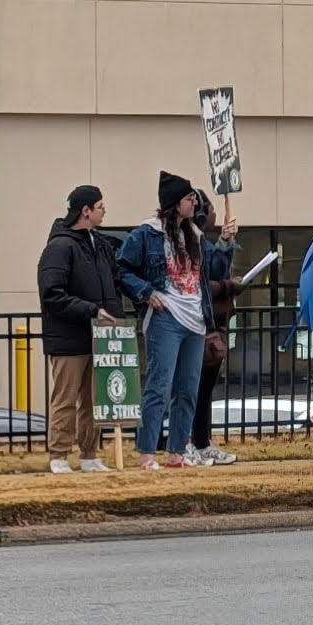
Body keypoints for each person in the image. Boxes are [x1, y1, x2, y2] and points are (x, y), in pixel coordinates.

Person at [117, 173, 238, 469]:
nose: (194, 203)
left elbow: (216, 268)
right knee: (159, 387)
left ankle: (177, 452)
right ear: (174, 203)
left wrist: (225, 241)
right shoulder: (147, 234)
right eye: (188, 198)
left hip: (195, 321)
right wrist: (147, 292)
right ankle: (147, 453)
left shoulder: (194, 235)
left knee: (188, 389)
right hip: (165, 318)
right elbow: (122, 269)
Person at [36, 184, 123, 473]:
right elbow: (52, 294)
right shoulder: (60, 247)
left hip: (98, 335)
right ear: (85, 211)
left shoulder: (99, 245)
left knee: (92, 399)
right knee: (65, 398)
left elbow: (114, 282)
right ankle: (59, 455)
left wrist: (115, 315)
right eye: (99, 206)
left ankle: (89, 453)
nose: (104, 210)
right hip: (68, 338)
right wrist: (91, 310)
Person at [187, 192, 243, 467]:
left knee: (205, 390)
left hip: (213, 324)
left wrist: (226, 241)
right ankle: (186, 443)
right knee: (191, 389)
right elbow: (202, 282)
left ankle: (202, 441)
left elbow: (217, 268)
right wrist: (228, 286)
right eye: (210, 209)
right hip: (196, 324)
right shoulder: (189, 241)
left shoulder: (203, 241)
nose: (213, 214)